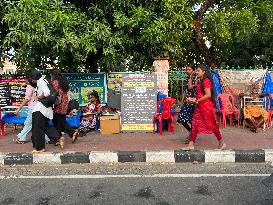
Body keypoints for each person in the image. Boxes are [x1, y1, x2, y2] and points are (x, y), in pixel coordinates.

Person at [183, 65, 226, 150]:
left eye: (198, 71)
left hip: (206, 107)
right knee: (195, 124)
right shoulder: (200, 81)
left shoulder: (206, 81)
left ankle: (221, 142)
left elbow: (208, 95)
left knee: (212, 125)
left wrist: (196, 100)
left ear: (204, 72)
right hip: (199, 106)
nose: (196, 72)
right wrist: (193, 99)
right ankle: (191, 145)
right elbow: (200, 95)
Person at [28, 69, 60, 153]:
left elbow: (47, 93)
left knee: (37, 128)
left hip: (41, 108)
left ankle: (39, 148)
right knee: (44, 126)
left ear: (32, 78)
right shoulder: (44, 79)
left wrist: (38, 97)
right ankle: (58, 138)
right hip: (46, 108)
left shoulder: (40, 81)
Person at [15, 78, 50, 144]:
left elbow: (27, 99)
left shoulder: (29, 87)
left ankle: (22, 138)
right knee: (38, 124)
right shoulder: (39, 85)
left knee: (28, 123)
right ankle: (48, 138)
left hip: (33, 107)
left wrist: (19, 108)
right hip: (41, 107)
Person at [51, 68, 79, 149]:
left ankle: (60, 137)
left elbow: (54, 92)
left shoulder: (55, 82)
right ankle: (70, 133)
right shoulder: (64, 81)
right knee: (62, 120)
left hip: (58, 103)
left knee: (56, 121)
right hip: (65, 102)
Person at [177, 64, 196, 144]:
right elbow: (185, 91)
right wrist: (182, 102)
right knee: (181, 119)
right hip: (186, 103)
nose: (187, 71)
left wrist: (191, 77)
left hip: (193, 102)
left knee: (192, 121)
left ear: (193, 71)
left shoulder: (196, 79)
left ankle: (192, 136)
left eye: (189, 70)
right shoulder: (186, 80)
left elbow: (190, 88)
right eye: (187, 70)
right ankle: (192, 133)